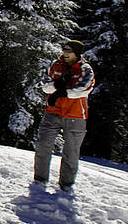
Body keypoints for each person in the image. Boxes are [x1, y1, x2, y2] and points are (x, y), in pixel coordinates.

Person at [33, 40, 96, 189]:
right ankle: (40, 180)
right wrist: (55, 86)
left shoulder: (85, 69)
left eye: (69, 51)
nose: (65, 53)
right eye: (64, 50)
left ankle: (66, 185)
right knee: (43, 145)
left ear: (77, 53)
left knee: (71, 152)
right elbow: (45, 85)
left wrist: (62, 91)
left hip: (75, 115)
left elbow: (84, 89)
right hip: (52, 112)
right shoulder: (55, 65)